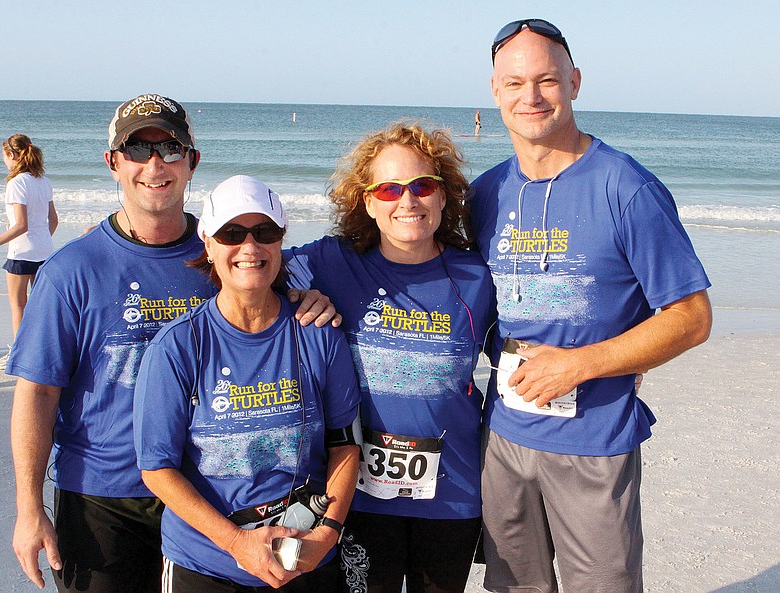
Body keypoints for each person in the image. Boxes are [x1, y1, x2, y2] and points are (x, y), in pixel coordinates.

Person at [7, 93, 337, 593]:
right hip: (104, 498)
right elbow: (37, 392)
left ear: (191, 161)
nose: (155, 164)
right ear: (113, 162)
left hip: (211, 499)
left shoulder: (227, 251)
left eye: (170, 148)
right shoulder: (72, 271)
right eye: (138, 149)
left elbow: (285, 285)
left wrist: (312, 297)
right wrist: (29, 507)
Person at [469, 19, 713, 593]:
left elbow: (691, 318)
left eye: (548, 80)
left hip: (593, 440)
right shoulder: (485, 193)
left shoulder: (626, 187)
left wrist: (580, 364)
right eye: (515, 83)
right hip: (502, 436)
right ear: (496, 91)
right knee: (512, 586)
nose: (531, 97)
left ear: (574, 82)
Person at [285, 122, 495, 593]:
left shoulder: (478, 276)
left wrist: (618, 359)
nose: (407, 201)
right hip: (357, 497)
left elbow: (534, 331)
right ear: (367, 202)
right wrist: (297, 294)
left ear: (443, 195)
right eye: (389, 189)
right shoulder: (330, 262)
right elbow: (247, 264)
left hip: (452, 492)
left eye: (423, 186)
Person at [134, 175, 361, 592]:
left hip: (304, 556)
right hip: (207, 564)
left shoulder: (319, 332)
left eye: (265, 232)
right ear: (208, 244)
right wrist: (237, 544)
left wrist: (327, 534)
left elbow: (344, 444)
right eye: (232, 234)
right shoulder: (177, 345)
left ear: (281, 241)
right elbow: (157, 469)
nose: (250, 247)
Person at [0, 134, 58, 368]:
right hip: (45, 252)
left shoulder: (16, 183)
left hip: (21, 254)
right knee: (39, 307)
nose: (4, 161)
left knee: (18, 306)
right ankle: (41, 353)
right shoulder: (43, 180)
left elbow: (20, 225)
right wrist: (42, 240)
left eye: (4, 156)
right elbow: (54, 220)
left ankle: (19, 355)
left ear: (12, 155)